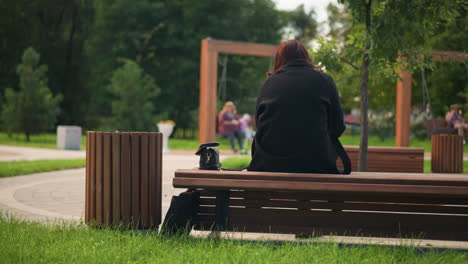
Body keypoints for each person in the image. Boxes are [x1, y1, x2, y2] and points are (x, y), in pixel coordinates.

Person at [247, 40, 347, 174]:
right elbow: (338, 127)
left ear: (279, 59)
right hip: (316, 164)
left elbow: (260, 126)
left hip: (270, 164)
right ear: (307, 57)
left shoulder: (269, 83)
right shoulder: (324, 80)